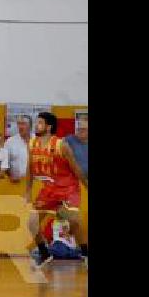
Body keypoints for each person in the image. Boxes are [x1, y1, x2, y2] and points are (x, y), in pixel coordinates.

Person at [26, 112, 88, 268]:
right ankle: (44, 253)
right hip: (49, 190)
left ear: (49, 127)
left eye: (39, 123)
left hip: (68, 188)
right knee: (31, 223)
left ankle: (85, 252)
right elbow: (30, 169)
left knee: (74, 221)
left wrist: (86, 186)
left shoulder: (61, 145)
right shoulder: (32, 144)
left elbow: (76, 169)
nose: (36, 125)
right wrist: (27, 191)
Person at [4, 115, 33, 183]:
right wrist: (10, 176)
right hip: (16, 182)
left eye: (23, 124)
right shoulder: (10, 142)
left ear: (30, 126)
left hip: (35, 182)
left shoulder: (38, 141)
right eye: (19, 124)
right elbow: (5, 163)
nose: (20, 127)